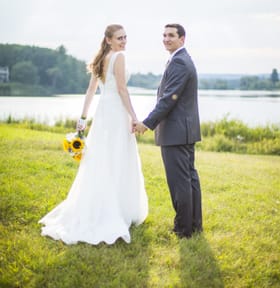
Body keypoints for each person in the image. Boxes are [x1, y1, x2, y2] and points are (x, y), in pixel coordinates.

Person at [39, 24, 148, 245]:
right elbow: (122, 89)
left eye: (125, 37)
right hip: (116, 114)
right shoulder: (118, 56)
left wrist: (83, 118)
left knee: (101, 159)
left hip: (102, 115)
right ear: (108, 40)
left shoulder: (101, 57)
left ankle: (103, 205)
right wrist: (134, 117)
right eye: (119, 38)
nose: (123, 41)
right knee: (117, 158)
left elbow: (91, 91)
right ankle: (115, 210)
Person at [135, 23, 202, 238]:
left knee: (179, 182)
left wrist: (147, 123)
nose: (166, 39)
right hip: (183, 130)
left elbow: (169, 99)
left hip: (176, 132)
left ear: (182, 39)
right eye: (164, 35)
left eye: (171, 35)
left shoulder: (180, 62)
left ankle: (183, 229)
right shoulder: (180, 59)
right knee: (189, 179)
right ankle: (193, 225)